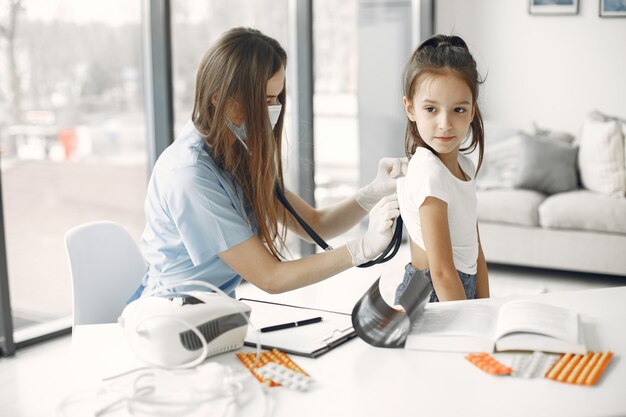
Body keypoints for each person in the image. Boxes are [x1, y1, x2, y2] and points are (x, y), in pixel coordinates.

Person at [128, 27, 406, 302]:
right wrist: (361, 249)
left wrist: (375, 191)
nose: (273, 109)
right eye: (263, 99)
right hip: (169, 318)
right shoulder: (190, 176)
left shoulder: (235, 156)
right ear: (219, 98)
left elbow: (314, 224)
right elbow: (270, 277)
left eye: (276, 99)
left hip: (213, 312)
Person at [394, 34, 489, 303]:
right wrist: (471, 321)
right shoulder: (428, 172)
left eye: (458, 109)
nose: (445, 124)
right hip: (433, 297)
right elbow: (443, 273)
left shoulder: (465, 166)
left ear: (472, 112)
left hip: (457, 290)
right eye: (431, 109)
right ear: (410, 109)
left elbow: (476, 249)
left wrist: (486, 307)